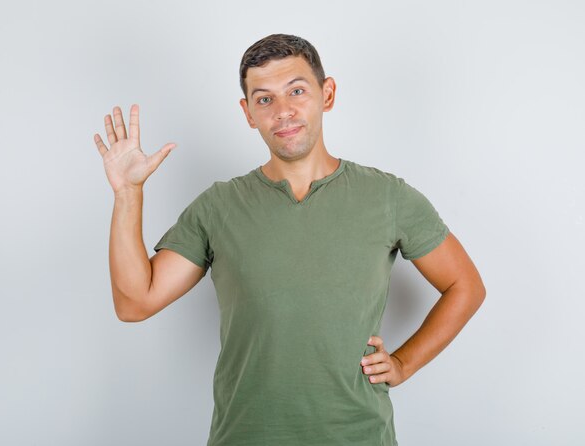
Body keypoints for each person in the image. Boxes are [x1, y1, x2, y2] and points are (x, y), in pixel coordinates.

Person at [93, 33, 485, 446]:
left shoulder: (387, 197)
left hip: (357, 436)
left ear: (326, 93)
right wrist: (127, 193)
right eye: (264, 99)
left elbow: (465, 286)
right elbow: (135, 302)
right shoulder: (219, 206)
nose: (283, 111)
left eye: (296, 91)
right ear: (248, 113)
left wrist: (404, 363)